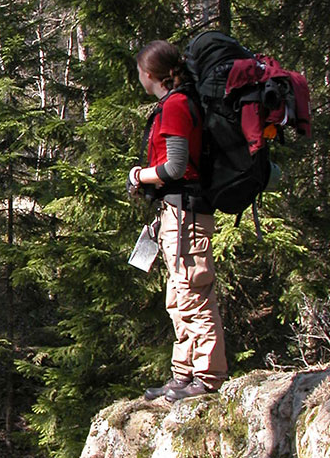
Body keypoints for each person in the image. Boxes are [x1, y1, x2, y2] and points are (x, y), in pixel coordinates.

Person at [127, 40, 228, 402]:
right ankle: (183, 374)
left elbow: (174, 166)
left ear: (150, 74)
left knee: (195, 293)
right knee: (179, 295)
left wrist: (140, 176)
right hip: (177, 211)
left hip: (187, 212)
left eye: (140, 72)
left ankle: (208, 377)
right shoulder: (178, 102)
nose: (139, 77)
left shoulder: (177, 106)